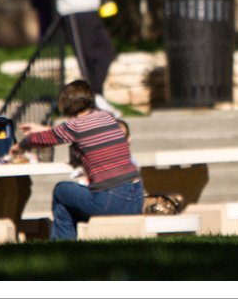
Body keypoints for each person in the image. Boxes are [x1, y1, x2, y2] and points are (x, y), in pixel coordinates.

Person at [9, 80, 143, 240]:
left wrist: (19, 146)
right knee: (64, 208)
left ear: (66, 103)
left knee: (60, 189)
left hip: (109, 198)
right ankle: (67, 248)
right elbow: (72, 133)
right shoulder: (106, 117)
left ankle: (64, 250)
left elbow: (44, 139)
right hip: (136, 197)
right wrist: (42, 129)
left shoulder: (76, 126)